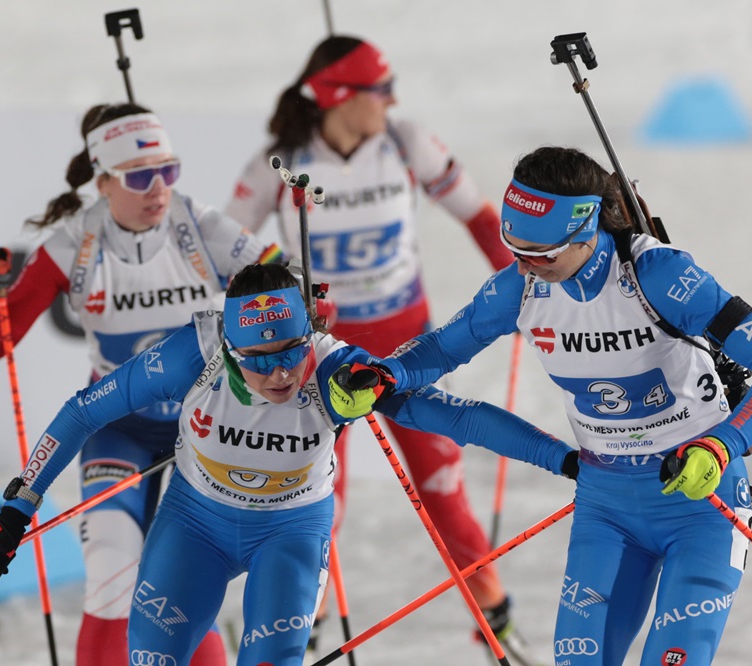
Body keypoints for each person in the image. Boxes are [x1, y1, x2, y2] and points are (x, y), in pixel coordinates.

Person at [0, 263, 577, 666]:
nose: (281, 373)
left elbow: (461, 417)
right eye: (258, 362)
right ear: (231, 348)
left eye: (291, 352)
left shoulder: (339, 370)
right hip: (195, 526)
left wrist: (566, 460)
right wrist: (18, 506)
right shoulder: (196, 353)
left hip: (288, 534)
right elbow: (83, 412)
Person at [354, 146, 752, 665]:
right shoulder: (521, 288)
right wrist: (383, 374)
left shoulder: (656, 275)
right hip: (607, 508)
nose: (525, 264)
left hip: (702, 501)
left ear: (587, 228)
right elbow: (437, 351)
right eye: (514, 247)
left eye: (541, 253)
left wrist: (723, 445)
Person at [223, 35, 536, 662]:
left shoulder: (404, 141)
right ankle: (294, 626)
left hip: (409, 349)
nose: (391, 100)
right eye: (379, 90)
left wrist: (527, 293)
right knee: (313, 496)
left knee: (443, 487)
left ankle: (495, 622)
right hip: (318, 353)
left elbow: (479, 216)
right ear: (340, 97)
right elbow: (224, 251)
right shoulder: (277, 164)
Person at [0, 102, 285, 666]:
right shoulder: (72, 244)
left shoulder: (202, 225)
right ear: (104, 180)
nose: (159, 187)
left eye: (170, 169)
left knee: (179, 592)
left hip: (200, 434)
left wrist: (311, 298)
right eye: (140, 176)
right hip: (119, 429)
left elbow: (287, 288)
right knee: (112, 574)